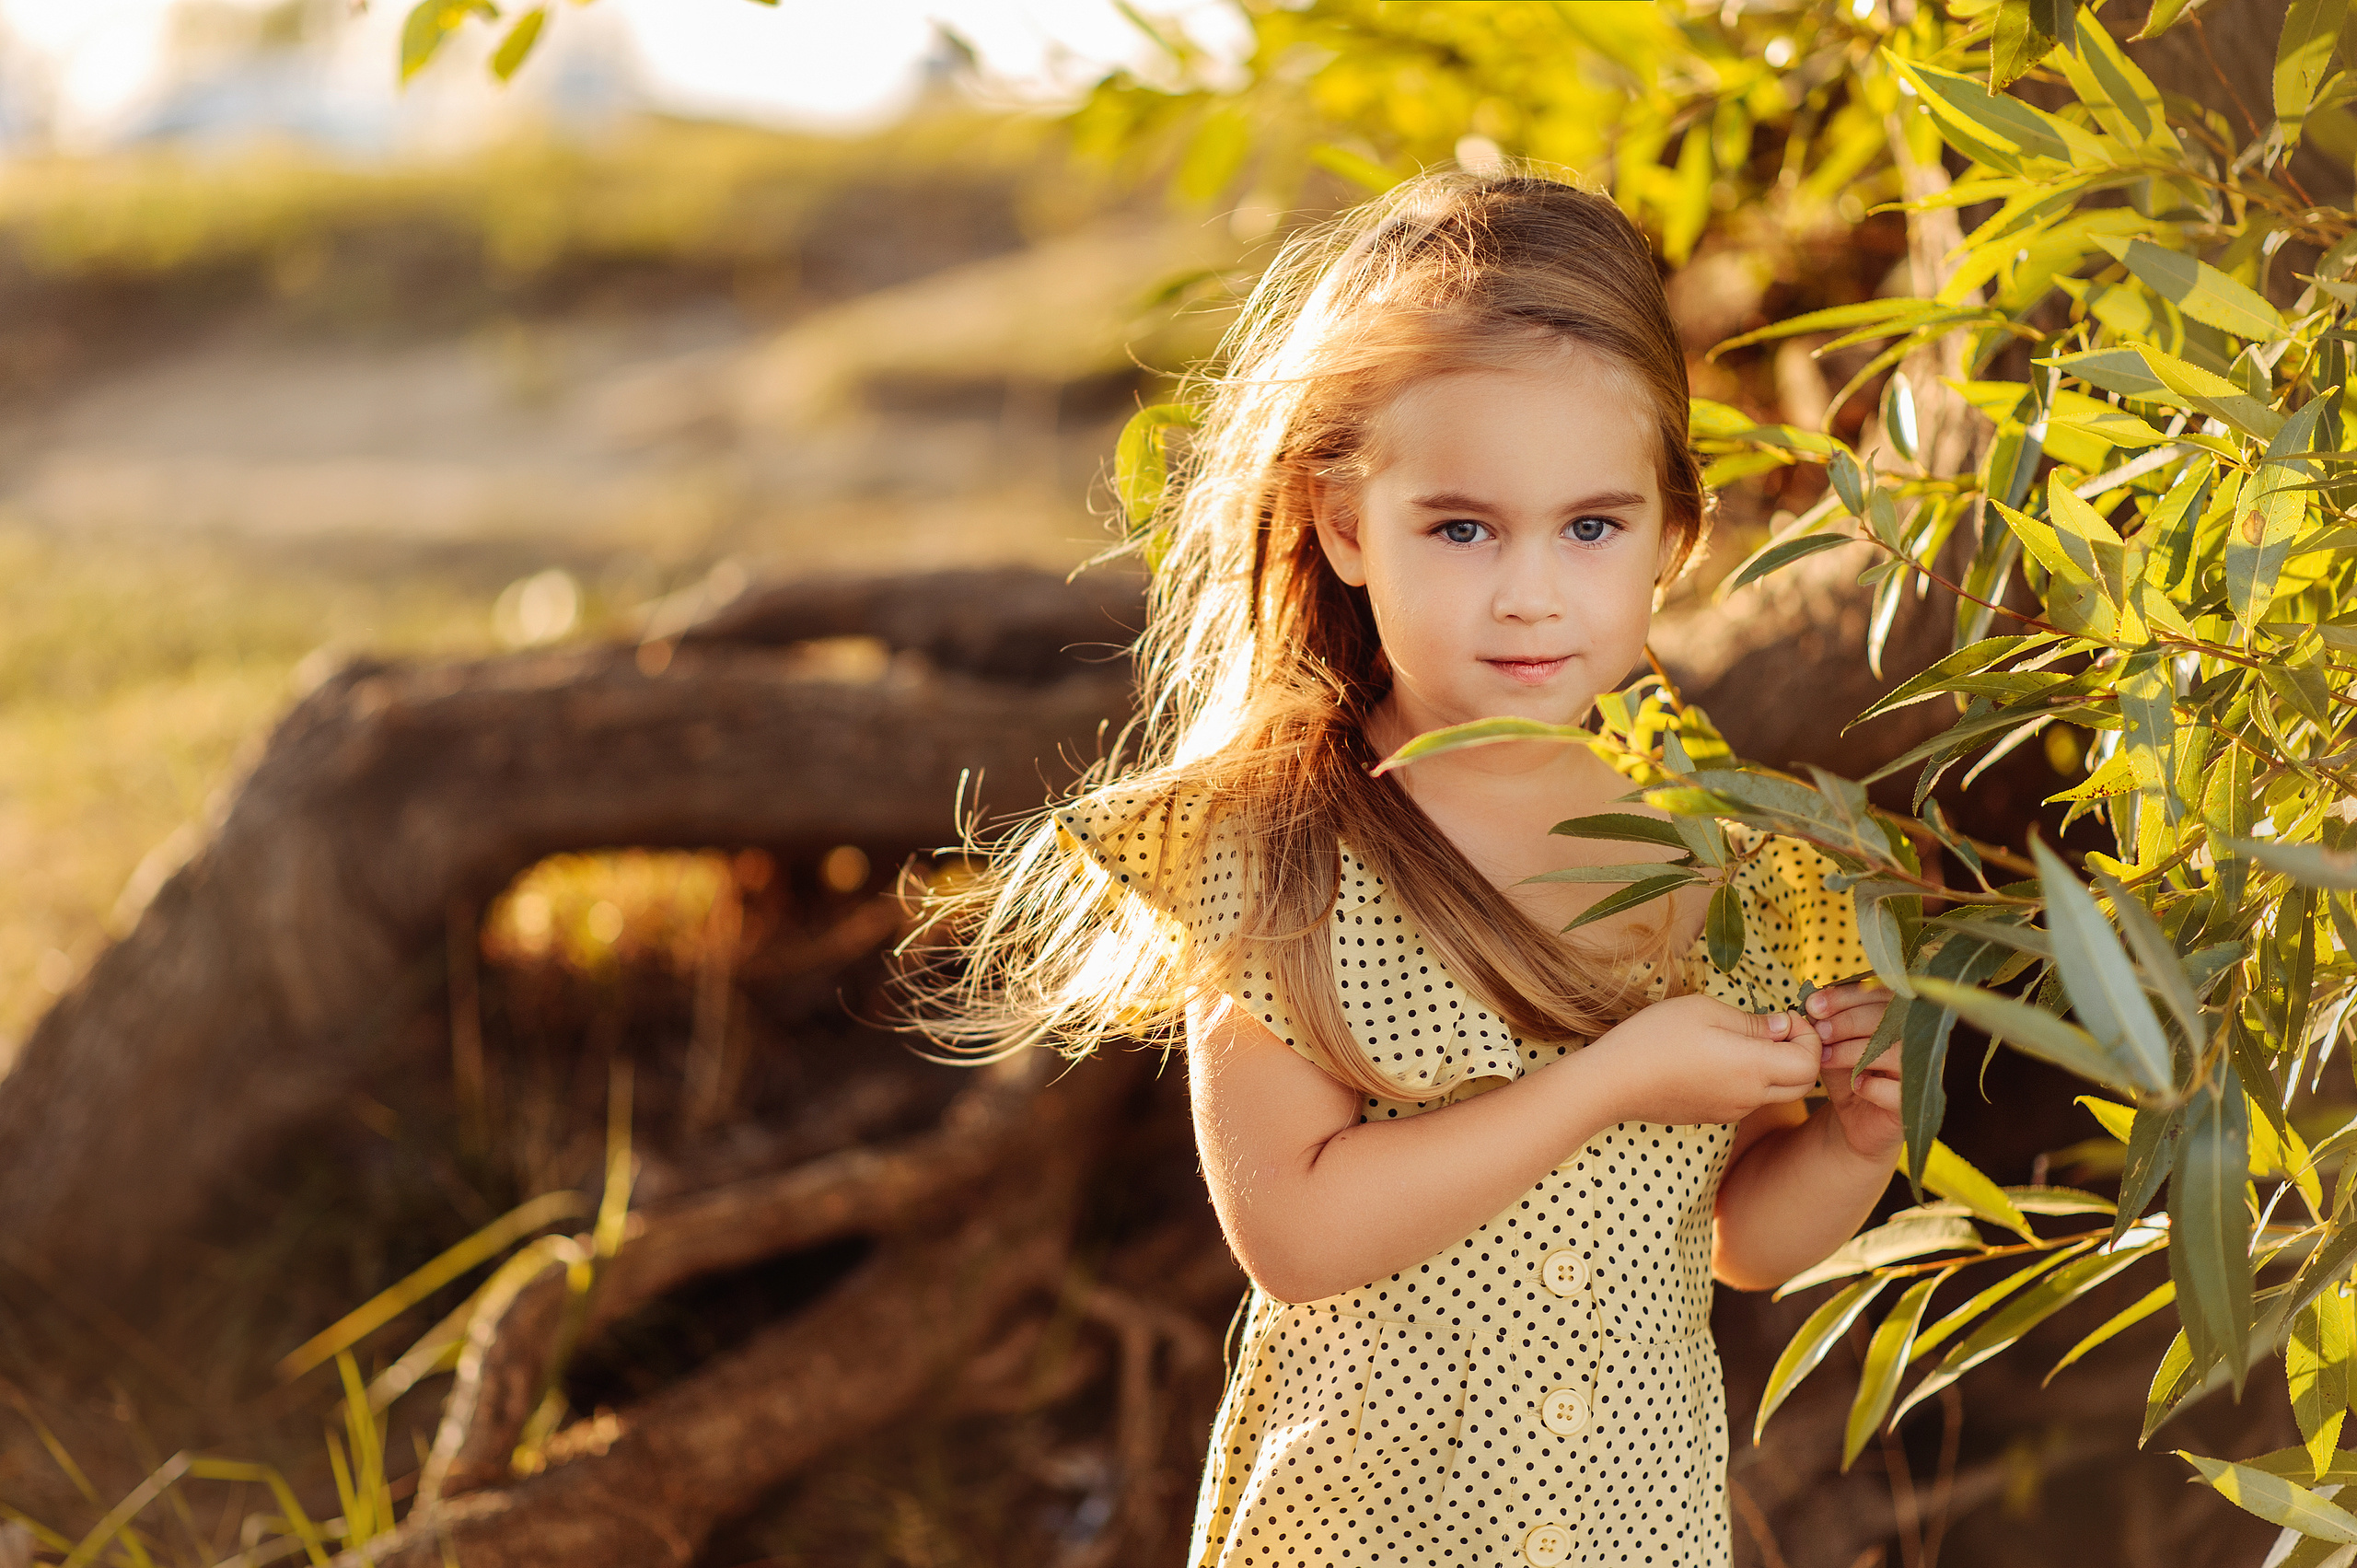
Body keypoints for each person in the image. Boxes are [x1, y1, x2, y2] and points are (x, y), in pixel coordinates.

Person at [921, 169, 1901, 1568]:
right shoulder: (1281, 849)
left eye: (1591, 527)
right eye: (1461, 528)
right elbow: (1297, 1231)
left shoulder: (1726, 870)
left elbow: (1736, 1236)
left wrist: (1852, 1142)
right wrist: (1609, 1081)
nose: (1530, 593)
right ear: (1343, 525)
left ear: (1671, 533)